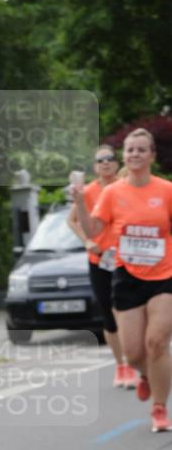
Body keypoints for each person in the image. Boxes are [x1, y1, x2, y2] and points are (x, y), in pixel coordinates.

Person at [71, 128, 172, 432]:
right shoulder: (113, 192)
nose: (135, 155)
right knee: (134, 352)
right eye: (130, 150)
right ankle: (145, 375)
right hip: (126, 276)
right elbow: (92, 230)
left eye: (141, 150)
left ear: (152, 155)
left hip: (164, 276)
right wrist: (79, 202)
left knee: (156, 342)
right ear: (124, 156)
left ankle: (158, 408)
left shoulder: (166, 190)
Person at [67, 146, 139, 388]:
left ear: (117, 163)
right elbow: (72, 220)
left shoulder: (126, 187)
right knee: (108, 314)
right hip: (99, 261)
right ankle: (121, 366)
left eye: (110, 159)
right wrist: (88, 241)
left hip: (125, 258)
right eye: (100, 160)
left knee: (126, 311)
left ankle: (133, 361)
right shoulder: (87, 192)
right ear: (95, 167)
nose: (106, 163)